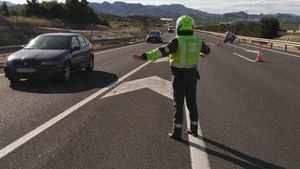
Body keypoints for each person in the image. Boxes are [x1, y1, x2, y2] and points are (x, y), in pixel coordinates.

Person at [131, 15, 210, 141]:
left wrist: (144, 56)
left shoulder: (177, 41)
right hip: (192, 76)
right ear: (192, 27)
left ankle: (177, 132)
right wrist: (200, 55)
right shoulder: (198, 40)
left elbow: (161, 51)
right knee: (192, 102)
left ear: (178, 27)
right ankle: (194, 129)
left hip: (178, 77)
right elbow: (207, 51)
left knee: (178, 104)